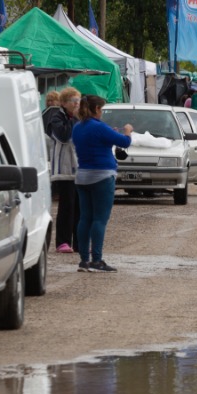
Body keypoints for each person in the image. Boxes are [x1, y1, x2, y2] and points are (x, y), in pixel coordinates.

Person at [71, 95, 132, 272]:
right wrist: (127, 130)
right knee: (99, 219)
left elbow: (96, 141)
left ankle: (83, 260)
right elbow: (124, 142)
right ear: (97, 109)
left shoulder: (77, 127)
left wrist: (108, 133)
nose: (102, 112)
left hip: (82, 176)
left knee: (85, 218)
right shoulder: (99, 127)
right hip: (102, 176)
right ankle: (97, 260)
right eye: (102, 109)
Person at [44, 87, 81, 253]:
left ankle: (80, 242)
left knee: (80, 207)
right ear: (64, 103)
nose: (77, 104)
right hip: (64, 169)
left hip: (80, 169)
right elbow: (64, 136)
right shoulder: (56, 118)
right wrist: (75, 119)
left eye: (78, 101)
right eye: (74, 102)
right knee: (67, 206)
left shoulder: (80, 118)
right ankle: (63, 242)